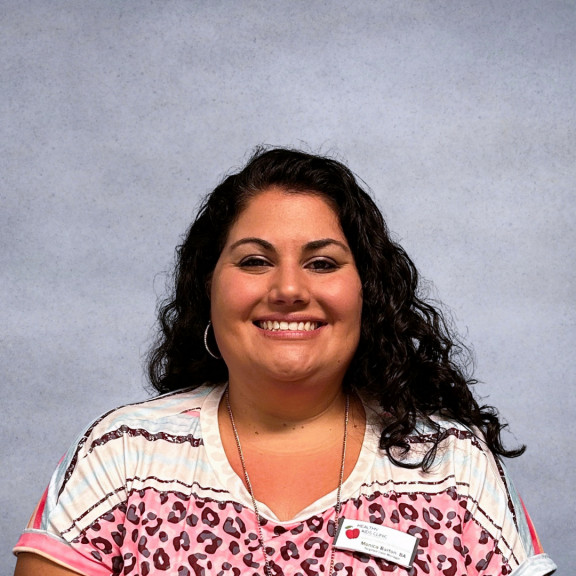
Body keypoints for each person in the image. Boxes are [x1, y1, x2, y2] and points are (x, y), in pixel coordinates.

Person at [14, 148, 556, 576]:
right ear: (208, 288)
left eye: (322, 263)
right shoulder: (122, 457)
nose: (289, 290)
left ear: (367, 292)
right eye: (255, 261)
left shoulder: (453, 468)